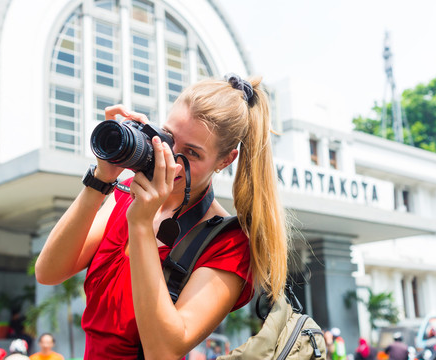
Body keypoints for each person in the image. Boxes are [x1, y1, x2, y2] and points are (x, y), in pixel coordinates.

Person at [35, 74, 289, 359]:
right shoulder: (125, 194)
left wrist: (141, 224)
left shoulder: (227, 243)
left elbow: (163, 350)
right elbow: (49, 272)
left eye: (191, 153)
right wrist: (102, 178)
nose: (170, 159)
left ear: (225, 160)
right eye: (168, 138)